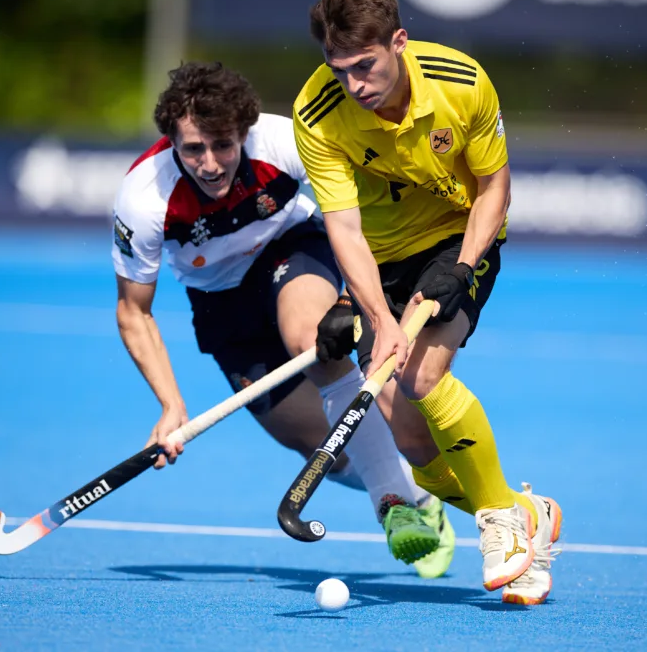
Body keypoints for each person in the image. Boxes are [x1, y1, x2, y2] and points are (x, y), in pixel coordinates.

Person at [111, 61, 455, 577]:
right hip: (220, 302)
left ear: (243, 131)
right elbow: (134, 311)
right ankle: (418, 496)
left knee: (312, 342)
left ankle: (393, 504)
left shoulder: (282, 142)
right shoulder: (145, 197)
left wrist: (350, 302)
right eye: (193, 149)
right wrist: (171, 404)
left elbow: (362, 215)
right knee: (317, 444)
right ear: (172, 141)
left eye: (223, 145)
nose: (210, 164)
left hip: (289, 249)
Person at [294, 0, 562, 605]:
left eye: (365, 65)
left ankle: (498, 526)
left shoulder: (461, 83)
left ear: (399, 42)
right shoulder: (318, 113)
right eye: (339, 69)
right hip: (381, 260)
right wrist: (369, 313)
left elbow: (494, 187)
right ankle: (527, 515)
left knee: (420, 375)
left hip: (457, 237)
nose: (353, 84)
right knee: (415, 445)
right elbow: (345, 230)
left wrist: (462, 267)